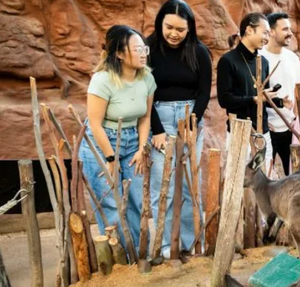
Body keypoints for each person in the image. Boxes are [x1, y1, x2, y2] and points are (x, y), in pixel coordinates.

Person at [79, 25, 155, 251]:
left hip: (133, 140)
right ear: (120, 54)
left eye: (144, 48)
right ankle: (120, 257)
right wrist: (110, 158)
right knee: (111, 203)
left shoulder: (147, 78)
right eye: (137, 49)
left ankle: (138, 254)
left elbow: (145, 117)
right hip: (102, 142)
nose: (143, 53)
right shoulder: (102, 80)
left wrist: (142, 148)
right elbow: (95, 123)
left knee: (135, 200)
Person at [146, 0, 212, 257]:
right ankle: (164, 244)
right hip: (159, 117)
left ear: (190, 28)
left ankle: (191, 240)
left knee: (189, 183)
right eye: (169, 27)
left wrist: (192, 123)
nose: (174, 34)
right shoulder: (148, 49)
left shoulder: (200, 52)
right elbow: (144, 92)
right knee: (162, 183)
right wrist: (157, 130)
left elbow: (204, 92)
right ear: (160, 23)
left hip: (190, 116)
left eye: (180, 29)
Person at [217, 13, 277, 156]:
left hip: (263, 131)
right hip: (239, 130)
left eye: (268, 34)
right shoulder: (228, 61)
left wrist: (280, 102)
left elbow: (263, 98)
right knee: (239, 171)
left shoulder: (263, 62)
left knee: (266, 170)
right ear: (249, 30)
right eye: (265, 33)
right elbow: (224, 100)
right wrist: (253, 99)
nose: (267, 38)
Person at [259, 12, 300, 176]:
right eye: (285, 29)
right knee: (264, 175)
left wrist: (298, 123)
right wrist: (262, 122)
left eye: (290, 29)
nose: (290, 33)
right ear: (271, 32)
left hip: (290, 128)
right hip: (267, 128)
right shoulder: (259, 58)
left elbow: (299, 92)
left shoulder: (292, 58)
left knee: (294, 175)